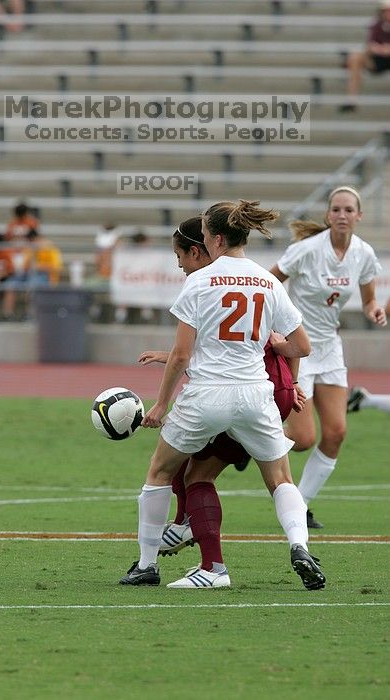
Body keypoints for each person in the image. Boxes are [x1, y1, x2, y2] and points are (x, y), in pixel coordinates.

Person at [119, 200, 326, 592]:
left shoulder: (199, 281)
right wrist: (275, 346)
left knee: (161, 471)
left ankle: (148, 565)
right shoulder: (267, 280)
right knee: (281, 479)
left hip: (208, 394)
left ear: (214, 238)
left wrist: (161, 405)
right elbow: (301, 346)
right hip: (255, 395)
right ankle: (300, 547)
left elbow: (182, 355)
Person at [270, 186, 387, 529]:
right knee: (303, 439)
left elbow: (368, 301)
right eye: (336, 209)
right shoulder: (306, 250)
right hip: (298, 348)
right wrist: (274, 327)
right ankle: (247, 438)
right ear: (328, 214)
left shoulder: (363, 254)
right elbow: (269, 281)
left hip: (330, 349)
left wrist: (374, 312)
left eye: (349, 210)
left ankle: (300, 507)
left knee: (335, 433)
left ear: (358, 216)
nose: (341, 215)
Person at [340, 1, 390, 112]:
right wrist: (381, 49)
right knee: (354, 58)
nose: (388, 14)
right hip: (378, 60)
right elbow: (370, 44)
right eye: (386, 11)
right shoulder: (377, 25)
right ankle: (352, 100)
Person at [2, 228, 63, 319]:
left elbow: (56, 268)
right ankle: (8, 314)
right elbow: (25, 267)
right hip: (28, 275)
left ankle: (30, 314)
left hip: (45, 277)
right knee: (11, 284)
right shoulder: (30, 249)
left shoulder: (50, 248)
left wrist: (38, 266)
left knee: (33, 283)